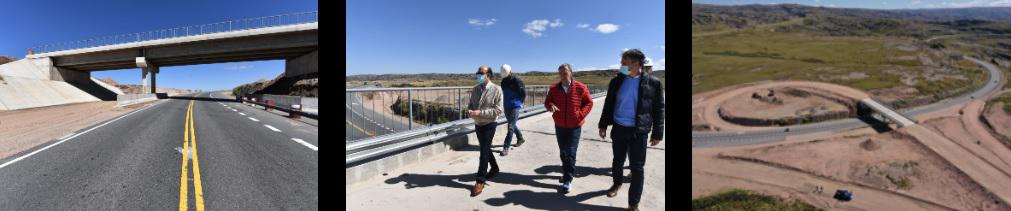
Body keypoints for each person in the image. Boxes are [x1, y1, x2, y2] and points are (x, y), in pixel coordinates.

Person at [598, 49, 664, 211]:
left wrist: (657, 133)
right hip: (619, 128)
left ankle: (633, 204)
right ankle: (617, 183)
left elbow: (659, 109)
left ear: (636, 63)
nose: (621, 65)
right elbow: (609, 103)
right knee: (617, 161)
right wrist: (603, 124)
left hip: (639, 131)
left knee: (637, 168)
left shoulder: (653, 83)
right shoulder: (617, 81)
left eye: (624, 63)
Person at [543, 63, 593, 193]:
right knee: (563, 152)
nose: (563, 75)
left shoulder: (581, 87)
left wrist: (581, 114)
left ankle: (567, 179)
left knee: (570, 152)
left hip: (575, 126)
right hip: (559, 125)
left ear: (571, 72)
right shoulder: (554, 88)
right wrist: (550, 106)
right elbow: (547, 102)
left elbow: (589, 102)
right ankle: (567, 172)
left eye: (565, 72)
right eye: (560, 73)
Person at [469, 66, 504, 197]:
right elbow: (471, 105)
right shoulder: (475, 89)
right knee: (486, 147)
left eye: (481, 73)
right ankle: (494, 168)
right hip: (478, 123)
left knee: (483, 152)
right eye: (477, 72)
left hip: (490, 124)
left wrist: (480, 112)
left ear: (488, 75)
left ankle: (480, 180)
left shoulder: (497, 89)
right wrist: (470, 111)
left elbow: (498, 110)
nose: (478, 74)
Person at [499, 64, 527, 156]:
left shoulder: (517, 81)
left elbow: (523, 93)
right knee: (512, 124)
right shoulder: (503, 81)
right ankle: (520, 138)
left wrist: (520, 103)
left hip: (515, 106)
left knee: (510, 127)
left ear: (510, 71)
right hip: (507, 106)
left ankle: (505, 147)